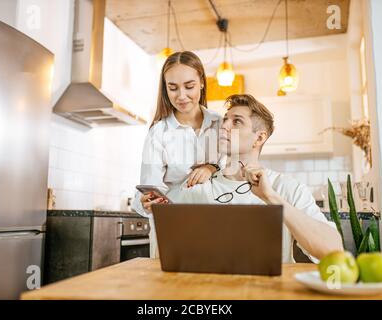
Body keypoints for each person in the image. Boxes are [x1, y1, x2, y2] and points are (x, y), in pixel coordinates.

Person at [145, 94, 344, 263]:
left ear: (259, 138)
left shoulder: (285, 188)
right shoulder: (198, 185)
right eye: (225, 119)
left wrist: (271, 198)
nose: (224, 126)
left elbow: (333, 250)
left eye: (236, 121)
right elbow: (165, 246)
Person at [133, 51, 223, 257]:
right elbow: (148, 188)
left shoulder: (221, 124)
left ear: (202, 82)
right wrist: (146, 202)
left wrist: (211, 167)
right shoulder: (159, 132)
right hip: (172, 227)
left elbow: (235, 169)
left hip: (216, 225)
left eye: (189, 86)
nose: (181, 96)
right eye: (172, 88)